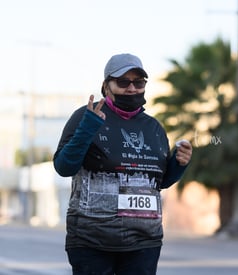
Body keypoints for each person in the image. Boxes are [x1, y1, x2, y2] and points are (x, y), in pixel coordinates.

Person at [53, 53, 192, 275]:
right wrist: (88, 128)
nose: (131, 88)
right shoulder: (86, 116)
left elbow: (159, 182)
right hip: (92, 241)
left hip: (144, 242)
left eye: (138, 82)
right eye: (123, 82)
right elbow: (63, 167)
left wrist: (178, 164)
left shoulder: (153, 127)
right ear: (106, 86)